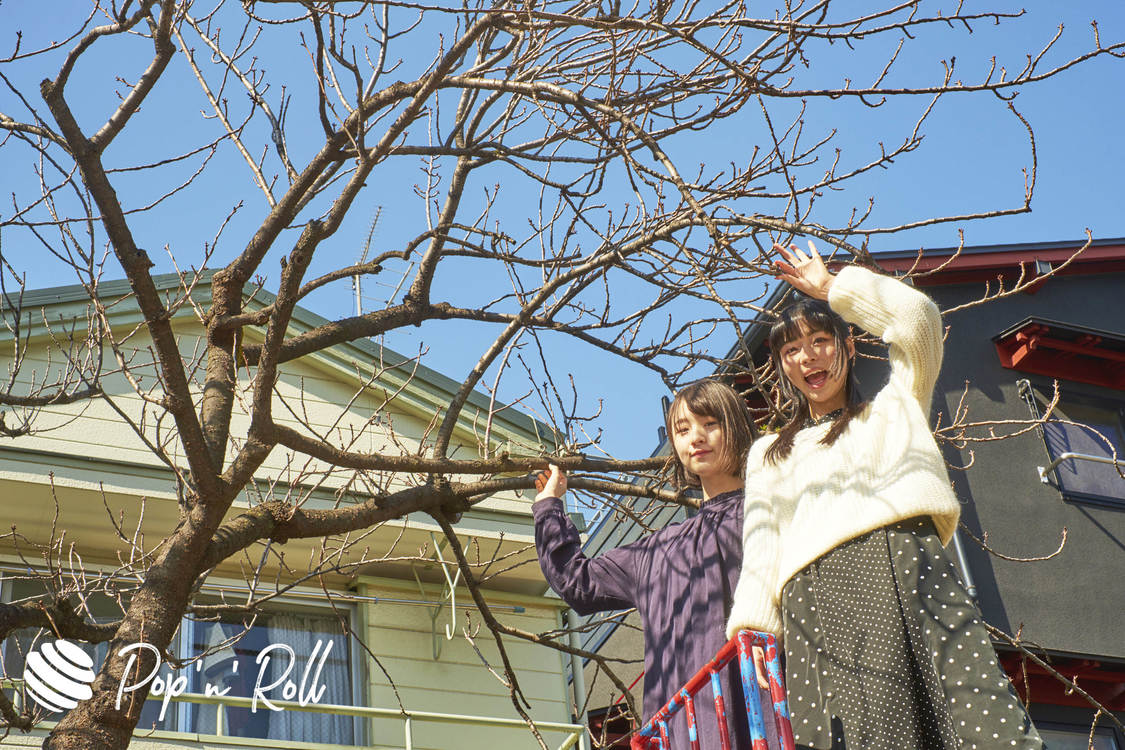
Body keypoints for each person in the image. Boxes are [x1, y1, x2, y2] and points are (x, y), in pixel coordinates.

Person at [726, 240, 1043, 750]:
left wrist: (834, 287)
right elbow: (761, 547)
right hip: (815, 598)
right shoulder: (768, 453)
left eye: (820, 341)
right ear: (783, 367)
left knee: (975, 712)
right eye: (791, 350)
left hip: (907, 565)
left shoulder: (895, 406)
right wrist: (753, 630)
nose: (808, 357)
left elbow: (918, 320)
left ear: (848, 346)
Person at [533, 379, 762, 749]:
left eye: (710, 423)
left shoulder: (771, 517)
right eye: (683, 430)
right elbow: (578, 583)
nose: (696, 438)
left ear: (735, 426)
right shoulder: (658, 550)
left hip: (762, 718)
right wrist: (549, 506)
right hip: (679, 731)